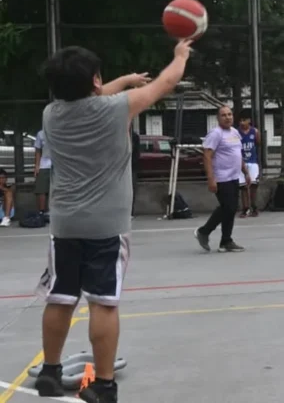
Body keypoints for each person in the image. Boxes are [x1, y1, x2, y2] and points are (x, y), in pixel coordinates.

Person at [33, 40, 192, 403]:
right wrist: (180, 56)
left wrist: (122, 79)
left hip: (65, 225)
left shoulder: (51, 115)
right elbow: (164, 84)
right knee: (103, 303)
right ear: (93, 80)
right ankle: (104, 385)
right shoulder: (115, 110)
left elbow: (88, 94)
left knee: (60, 298)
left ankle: (50, 372)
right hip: (106, 225)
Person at [194, 106, 250, 253]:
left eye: (230, 114)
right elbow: (207, 156)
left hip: (234, 176)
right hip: (221, 178)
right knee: (228, 207)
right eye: (224, 115)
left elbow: (237, 154)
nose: (228, 117)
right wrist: (211, 179)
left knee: (230, 209)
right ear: (218, 118)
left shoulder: (234, 132)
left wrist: (245, 172)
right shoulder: (215, 134)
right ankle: (204, 232)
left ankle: (226, 241)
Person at [237, 111, 261, 218]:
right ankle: (245, 208)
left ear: (249, 121)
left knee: (253, 185)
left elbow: (258, 144)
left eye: (244, 120)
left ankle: (254, 207)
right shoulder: (236, 133)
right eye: (241, 120)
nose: (242, 122)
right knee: (243, 187)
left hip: (252, 161)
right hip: (241, 162)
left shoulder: (255, 132)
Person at [34, 129, 52, 217]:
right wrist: (37, 166)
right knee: (42, 190)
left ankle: (54, 211)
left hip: (59, 165)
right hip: (44, 165)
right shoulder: (41, 133)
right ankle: (42, 212)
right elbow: (38, 151)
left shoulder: (61, 131)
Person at [130, 128, 140, 218]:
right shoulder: (134, 136)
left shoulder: (134, 136)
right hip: (131, 167)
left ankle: (131, 212)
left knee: (132, 190)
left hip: (131, 167)